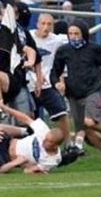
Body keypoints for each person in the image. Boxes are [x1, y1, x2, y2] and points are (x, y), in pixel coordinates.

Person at [50, 19, 101, 162]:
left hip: (92, 90)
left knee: (88, 121)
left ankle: (79, 145)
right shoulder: (64, 51)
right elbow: (55, 71)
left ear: (84, 34)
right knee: (82, 126)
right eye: (71, 34)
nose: (74, 37)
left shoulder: (94, 49)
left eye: (77, 33)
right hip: (73, 93)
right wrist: (56, 82)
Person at [30, 13, 72, 148]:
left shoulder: (57, 40)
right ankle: (34, 147)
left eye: (49, 24)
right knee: (32, 120)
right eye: (43, 24)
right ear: (37, 24)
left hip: (47, 85)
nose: (46, 27)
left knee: (61, 113)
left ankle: (70, 144)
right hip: (29, 84)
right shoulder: (27, 37)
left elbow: (80, 39)